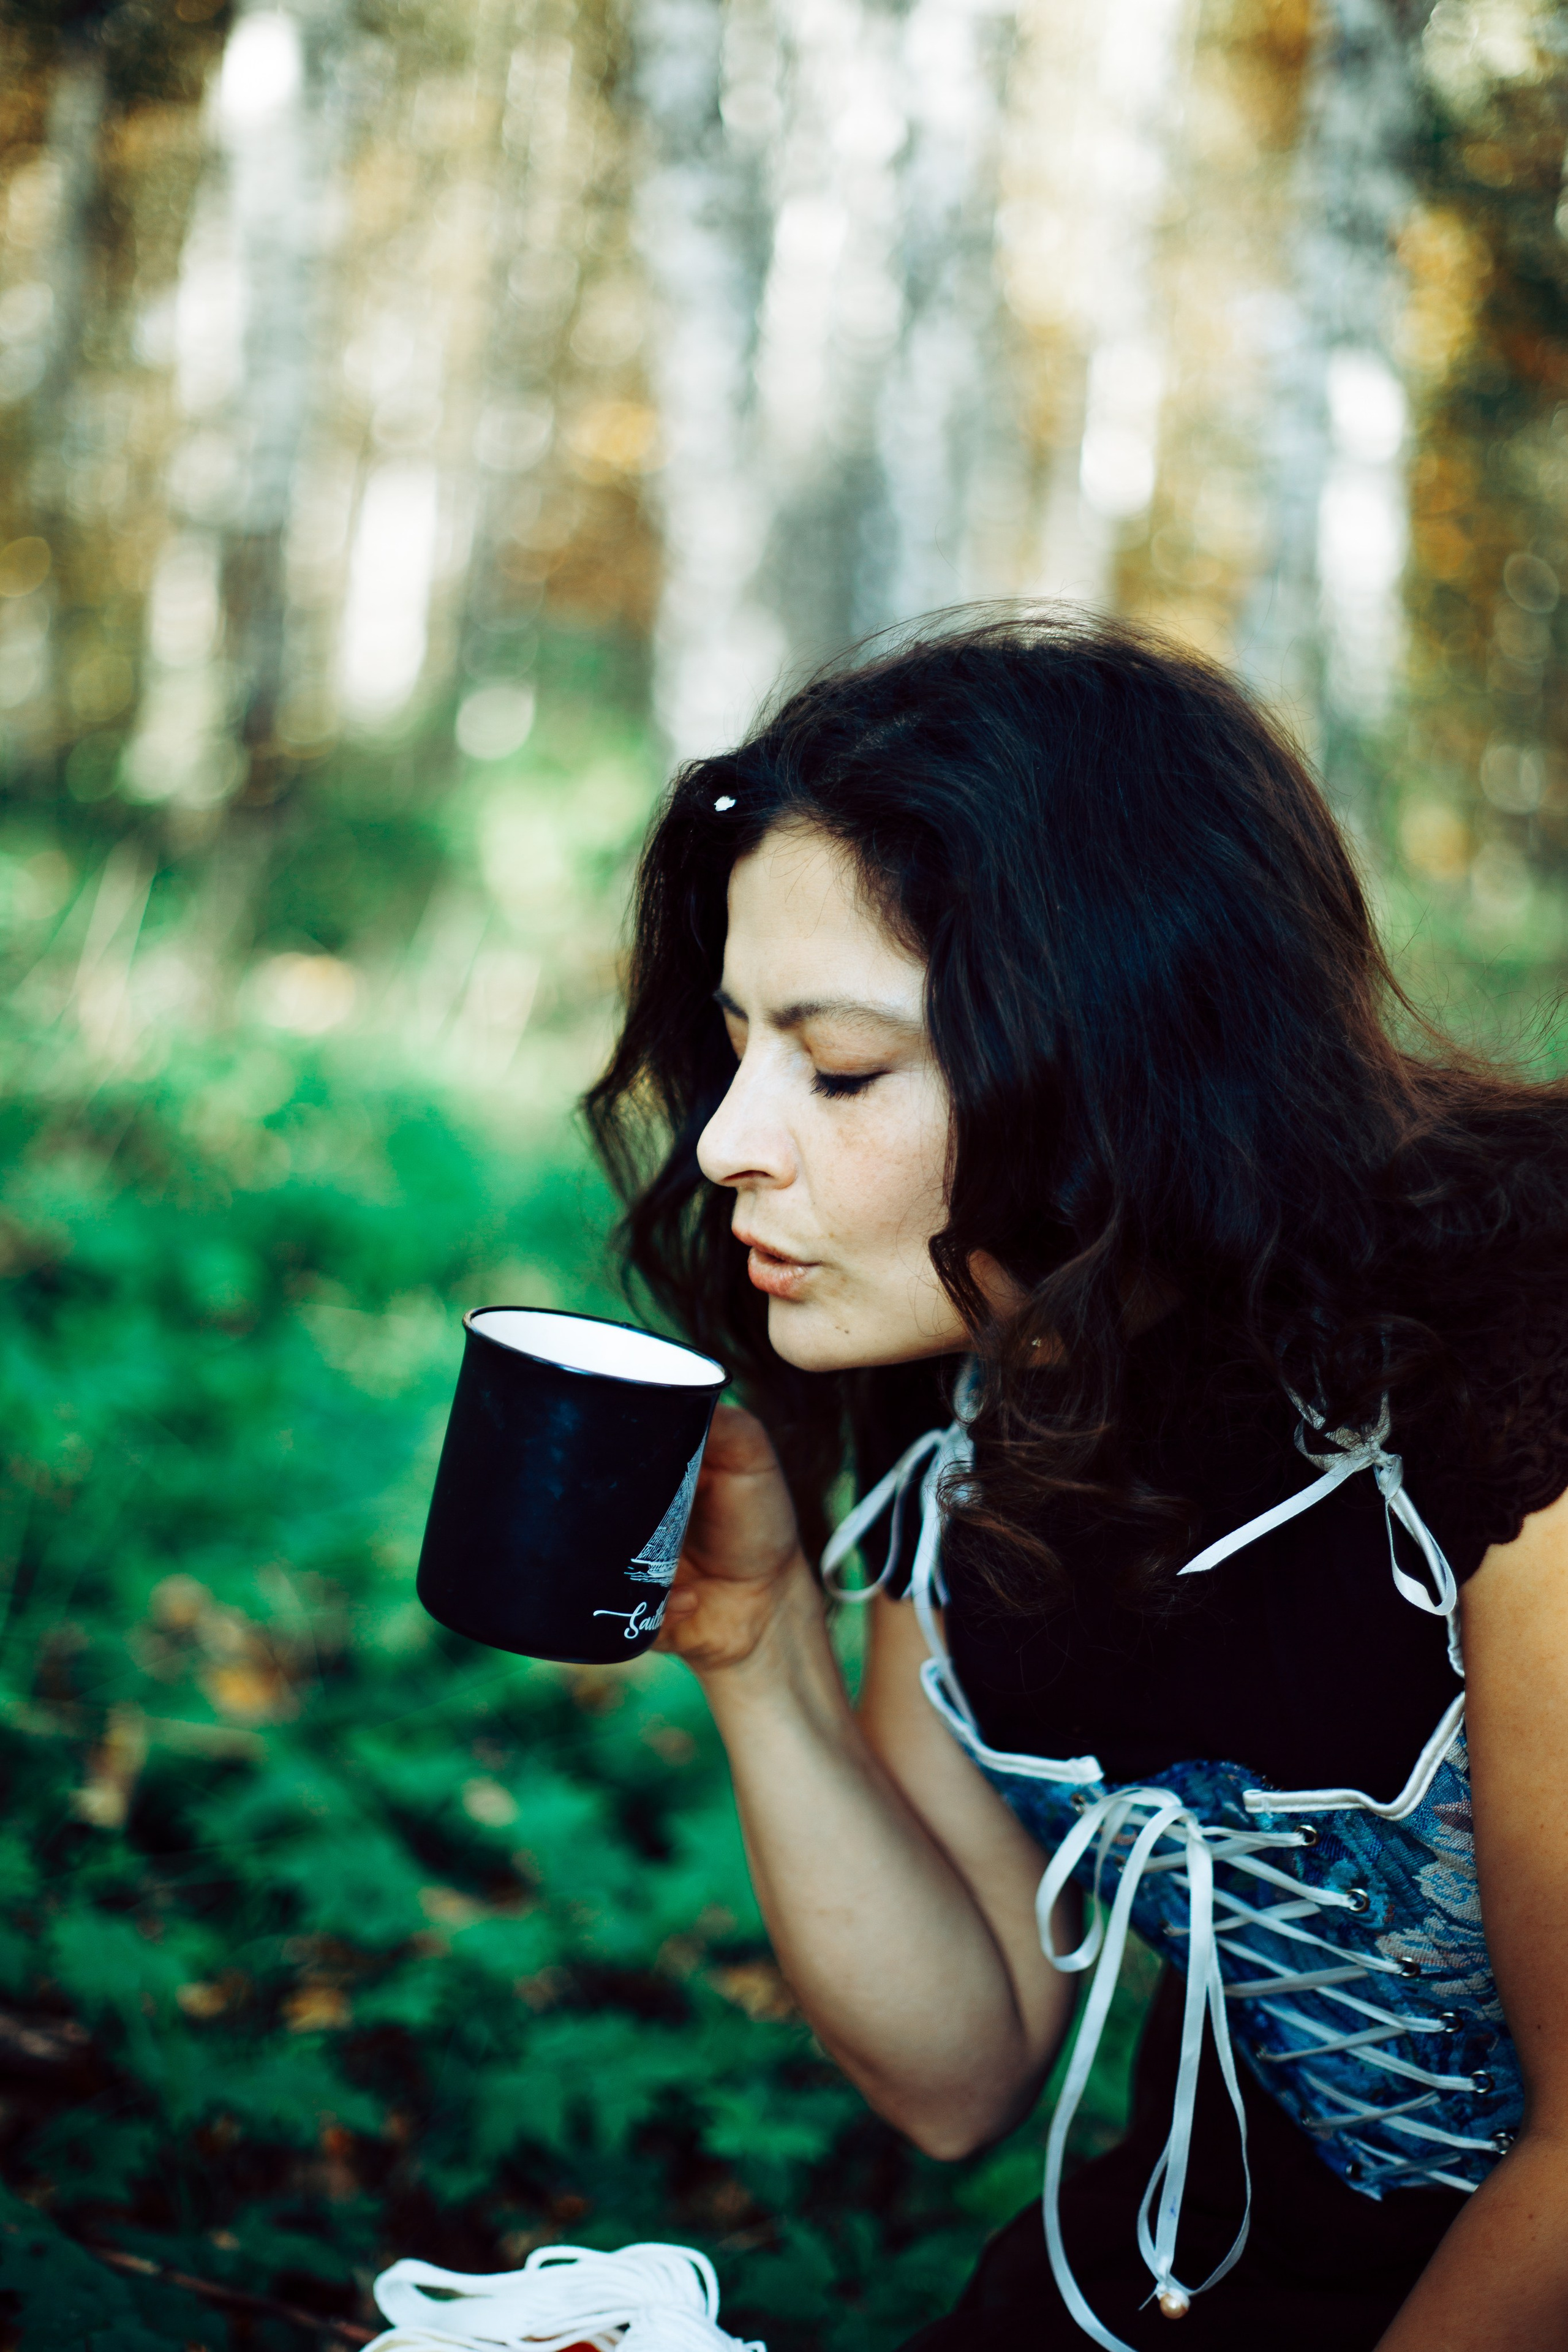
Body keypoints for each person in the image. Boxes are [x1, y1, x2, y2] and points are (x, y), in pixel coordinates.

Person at [585, 610, 1568, 2350]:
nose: (726, 1141)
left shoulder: (1517, 1387)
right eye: (738, 1047)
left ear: (1125, 1055)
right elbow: (959, 2068)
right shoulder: (985, 1386)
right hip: (1215, 2271)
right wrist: (760, 1656)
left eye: (841, 1067)